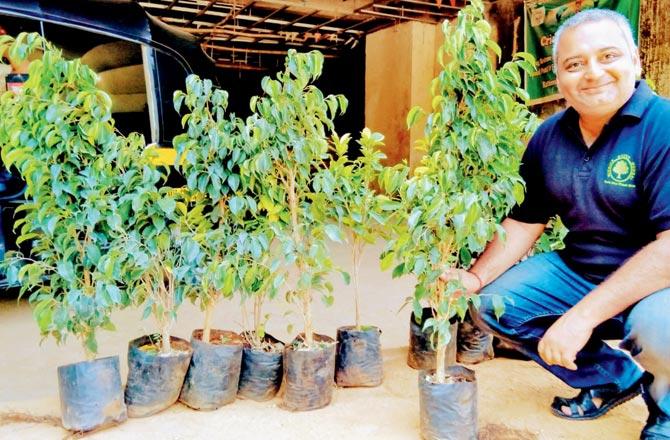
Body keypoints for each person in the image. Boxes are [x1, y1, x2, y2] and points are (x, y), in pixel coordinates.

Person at [443, 9, 670, 439]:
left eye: (608, 56)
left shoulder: (663, 127)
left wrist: (581, 318)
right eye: (575, 64)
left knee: (661, 327)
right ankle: (612, 377)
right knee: (493, 304)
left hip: (659, 285)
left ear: (636, 60)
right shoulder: (549, 135)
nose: (593, 73)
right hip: (581, 270)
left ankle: (666, 412)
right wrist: (474, 277)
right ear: (559, 76)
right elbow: (526, 220)